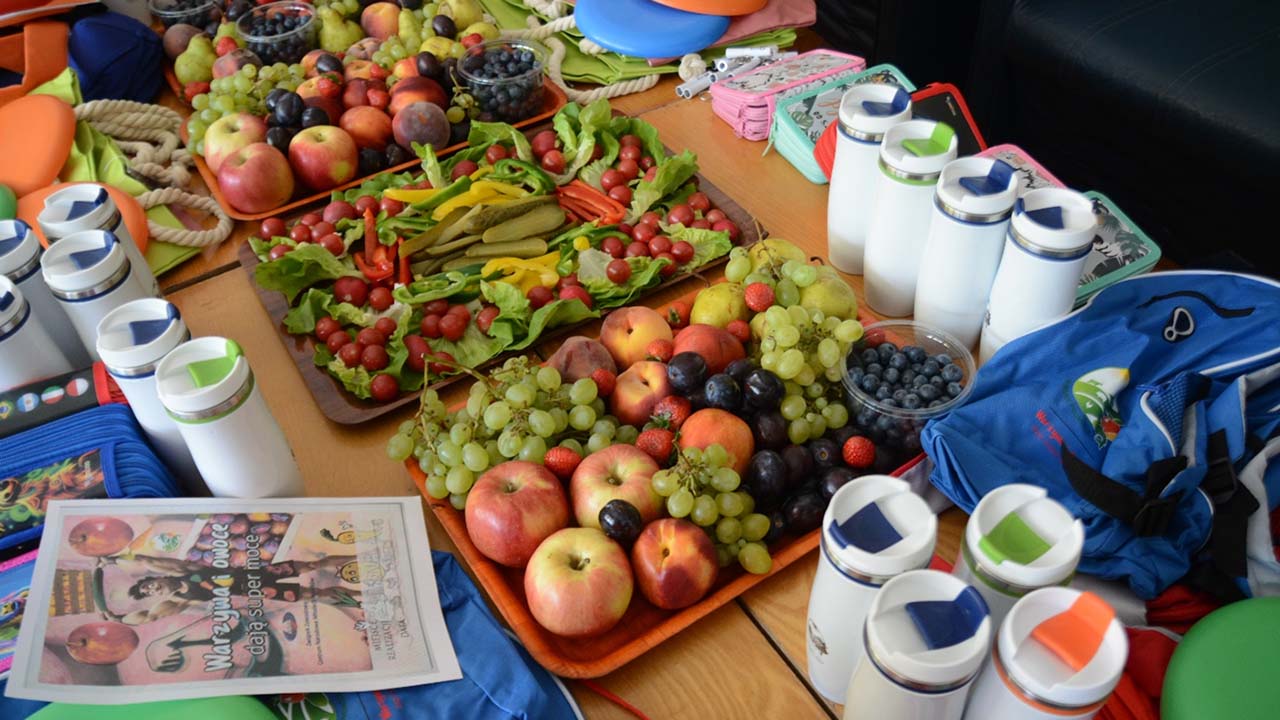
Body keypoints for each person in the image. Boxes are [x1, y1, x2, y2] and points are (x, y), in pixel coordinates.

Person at [100, 553, 362, 625]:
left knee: (314, 565)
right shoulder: (180, 599)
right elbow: (150, 616)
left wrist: (112, 560)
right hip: (257, 591)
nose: (153, 589)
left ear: (154, 579)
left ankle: (356, 555)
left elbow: (145, 560)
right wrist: (119, 619)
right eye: (150, 593)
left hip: (260, 573)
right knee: (315, 595)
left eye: (148, 585)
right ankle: (361, 593)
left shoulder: (180, 571)